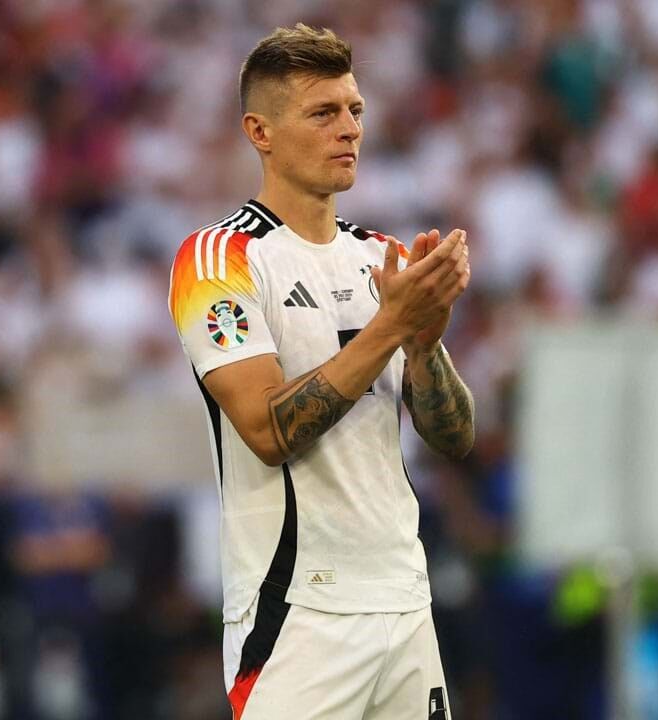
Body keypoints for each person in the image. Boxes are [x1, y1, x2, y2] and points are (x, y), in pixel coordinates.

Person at [167, 24, 474, 720]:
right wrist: (392, 326)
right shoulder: (218, 259)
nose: (350, 129)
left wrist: (424, 346)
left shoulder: (380, 258)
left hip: (403, 596)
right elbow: (267, 430)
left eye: (355, 110)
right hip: (299, 611)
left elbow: (454, 437)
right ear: (260, 132)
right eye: (323, 112)